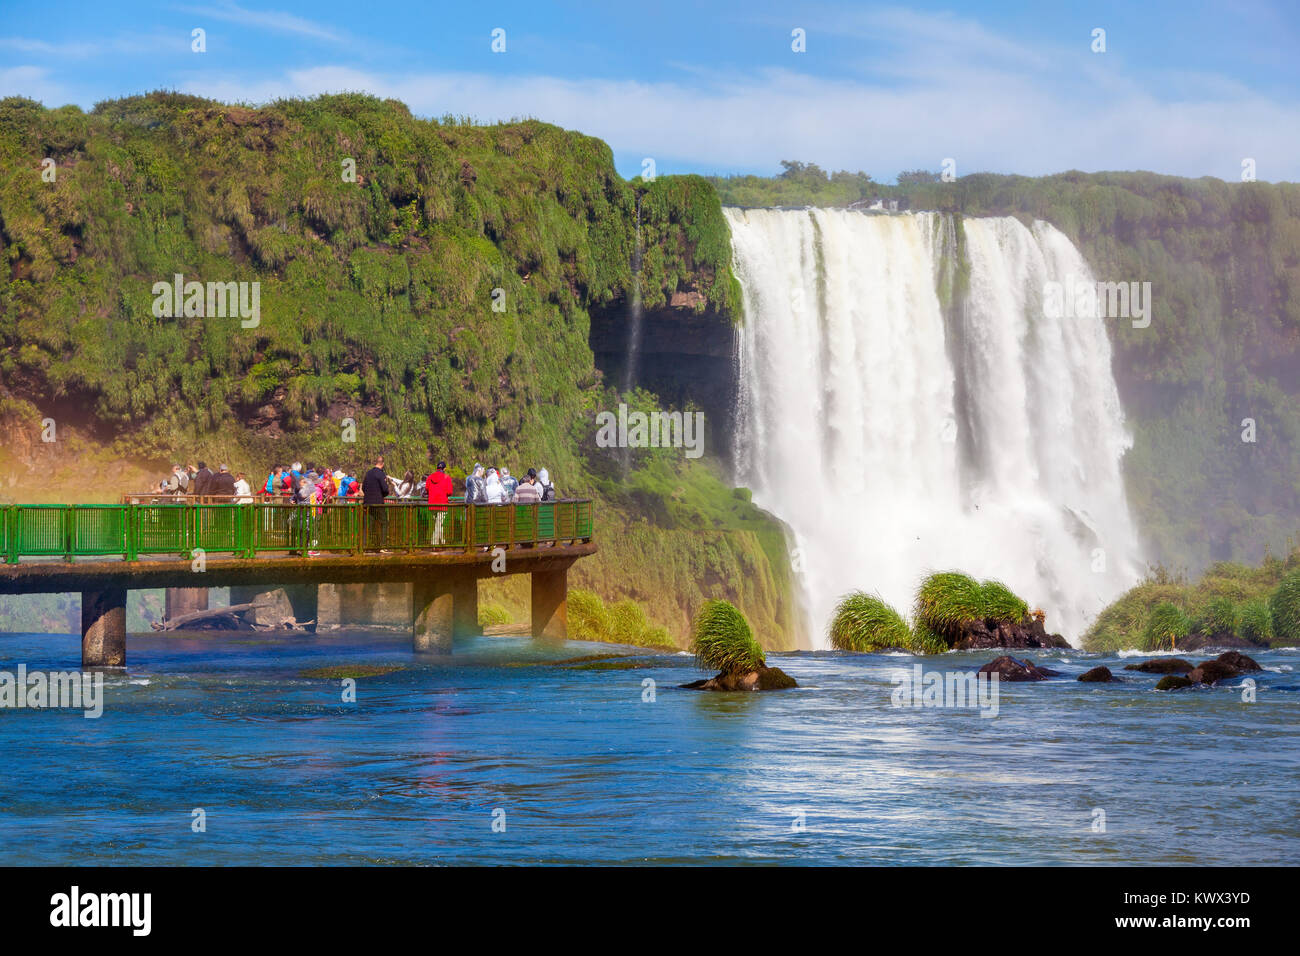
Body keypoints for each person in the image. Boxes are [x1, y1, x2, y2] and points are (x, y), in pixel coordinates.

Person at [362, 455, 391, 553]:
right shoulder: (381, 474)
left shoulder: (368, 473)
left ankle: (365, 546)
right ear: (382, 464)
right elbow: (385, 489)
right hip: (378, 503)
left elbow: (363, 488)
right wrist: (382, 495)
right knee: (384, 523)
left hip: (367, 503)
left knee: (368, 525)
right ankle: (383, 546)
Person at [425, 460, 454, 545]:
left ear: (437, 468)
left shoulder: (429, 477)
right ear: (444, 468)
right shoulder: (446, 477)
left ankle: (443, 541)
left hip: (432, 504)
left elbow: (427, 489)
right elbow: (449, 492)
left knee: (437, 524)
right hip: (442, 504)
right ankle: (434, 543)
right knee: (438, 525)